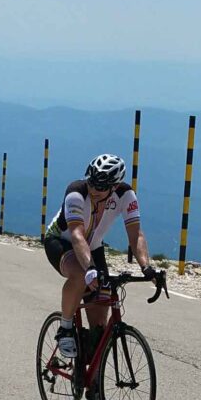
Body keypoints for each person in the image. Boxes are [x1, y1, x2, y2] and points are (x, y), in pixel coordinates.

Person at [43, 154, 158, 364]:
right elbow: (77, 235)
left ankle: (94, 385)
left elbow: (136, 235)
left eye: (101, 186)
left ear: (114, 186)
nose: (95, 189)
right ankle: (65, 328)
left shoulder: (126, 196)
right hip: (61, 241)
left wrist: (147, 268)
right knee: (79, 276)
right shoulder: (76, 192)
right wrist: (89, 269)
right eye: (92, 182)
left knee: (100, 330)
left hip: (93, 247)